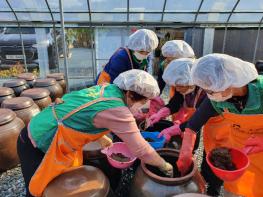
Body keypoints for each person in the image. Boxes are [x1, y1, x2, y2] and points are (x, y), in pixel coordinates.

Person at [17, 70, 173, 197]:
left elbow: (87, 113)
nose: (143, 106)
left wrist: (101, 137)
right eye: (143, 101)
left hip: (45, 126)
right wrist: (163, 164)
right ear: (130, 95)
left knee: (58, 183)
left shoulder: (107, 88)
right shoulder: (119, 111)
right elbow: (141, 149)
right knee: (38, 188)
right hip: (36, 141)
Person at [177, 53, 263, 197]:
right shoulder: (219, 98)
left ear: (230, 82)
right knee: (236, 189)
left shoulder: (260, 91)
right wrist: (186, 151)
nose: (209, 95)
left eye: (211, 90)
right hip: (240, 152)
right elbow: (193, 124)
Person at [147, 58, 206, 152]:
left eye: (180, 86)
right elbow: (176, 101)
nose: (177, 89)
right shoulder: (186, 86)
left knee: (192, 145)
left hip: (205, 119)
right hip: (191, 118)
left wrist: (176, 129)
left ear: (191, 82)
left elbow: (200, 118)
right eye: (176, 86)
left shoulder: (205, 92)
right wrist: (162, 112)